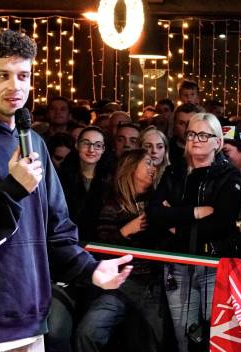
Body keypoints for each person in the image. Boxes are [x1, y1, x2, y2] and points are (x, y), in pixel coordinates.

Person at [0, 29, 133, 351]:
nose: (15, 86)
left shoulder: (33, 143)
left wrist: (89, 269)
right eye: (2, 75)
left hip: (31, 320)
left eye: (23, 75)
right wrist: (12, 189)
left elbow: (56, 230)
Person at [147, 112, 241, 352]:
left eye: (202, 135)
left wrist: (175, 222)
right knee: (184, 337)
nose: (195, 139)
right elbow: (155, 214)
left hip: (213, 265)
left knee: (215, 336)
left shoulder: (229, 176)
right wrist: (196, 213)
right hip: (177, 263)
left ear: (217, 142)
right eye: (191, 134)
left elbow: (221, 224)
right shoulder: (172, 172)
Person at [75, 149, 167, 352]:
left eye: (155, 163)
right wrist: (126, 231)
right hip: (121, 285)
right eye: (148, 163)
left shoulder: (158, 201)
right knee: (88, 331)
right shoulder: (112, 206)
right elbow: (102, 250)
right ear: (131, 168)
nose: (154, 168)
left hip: (153, 285)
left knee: (157, 341)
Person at [58, 126, 115, 243]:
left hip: (99, 244)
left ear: (103, 149)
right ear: (77, 145)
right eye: (86, 143)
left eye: (98, 145)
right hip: (68, 241)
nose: (91, 149)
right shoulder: (61, 176)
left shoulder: (112, 179)